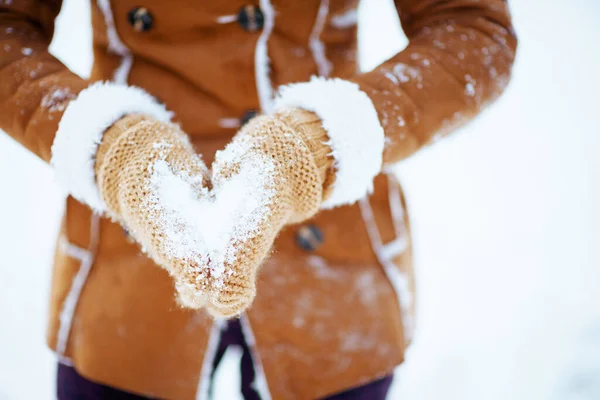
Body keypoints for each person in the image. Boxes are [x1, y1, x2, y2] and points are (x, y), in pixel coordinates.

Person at [0, 1, 517, 399]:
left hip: (326, 236)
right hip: (128, 243)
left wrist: (320, 143)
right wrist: (110, 146)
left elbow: (472, 28)